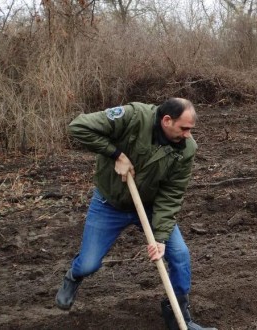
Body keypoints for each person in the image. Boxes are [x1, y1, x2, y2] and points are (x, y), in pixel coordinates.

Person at [55, 98, 216, 330]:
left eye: (191, 129)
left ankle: (180, 318)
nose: (188, 135)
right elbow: (78, 127)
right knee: (89, 264)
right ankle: (74, 276)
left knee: (180, 256)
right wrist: (116, 154)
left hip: (150, 207)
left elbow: (171, 194)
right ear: (167, 120)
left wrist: (159, 237)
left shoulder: (186, 149)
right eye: (184, 128)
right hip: (110, 204)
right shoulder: (133, 117)